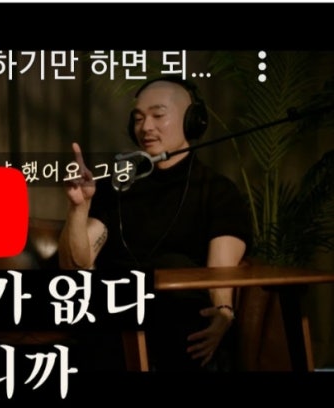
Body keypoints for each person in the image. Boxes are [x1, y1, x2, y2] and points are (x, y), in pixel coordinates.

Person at [58, 76, 253, 371]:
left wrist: (223, 312)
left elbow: (220, 269)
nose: (146, 127)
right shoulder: (113, 188)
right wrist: (78, 208)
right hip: (114, 320)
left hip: (180, 322)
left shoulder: (217, 191)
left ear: (192, 121)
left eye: (158, 115)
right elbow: (76, 265)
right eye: (138, 119)